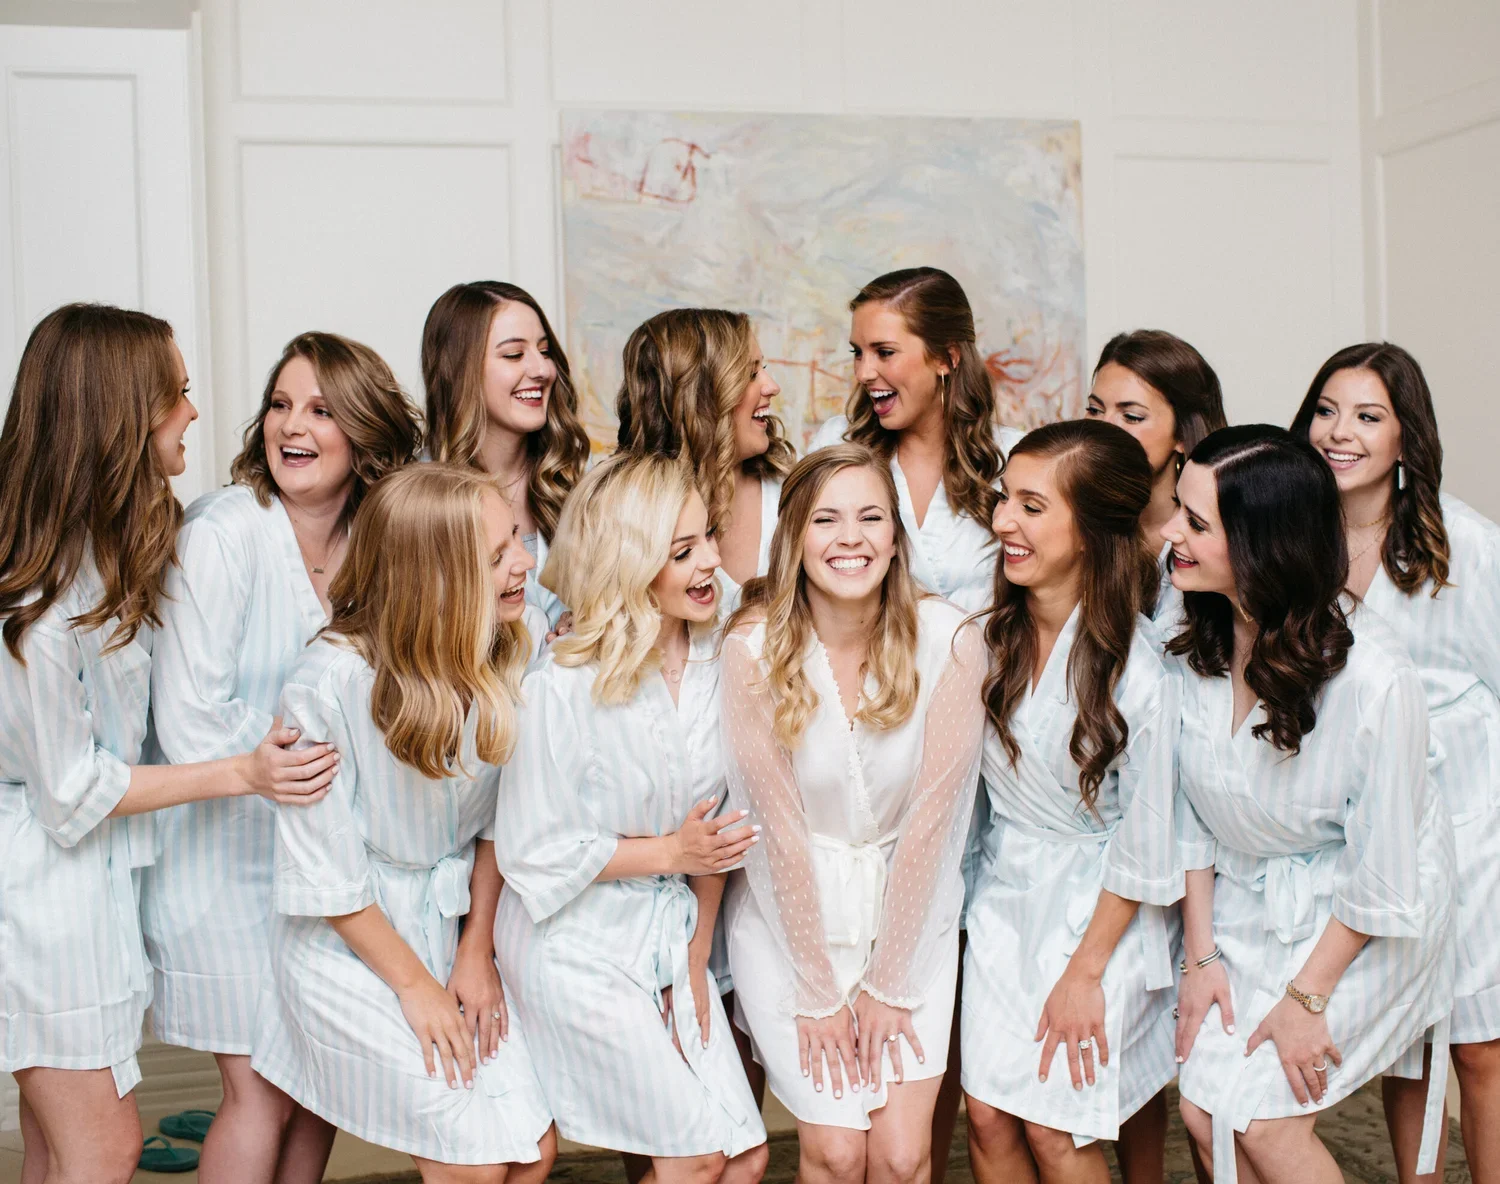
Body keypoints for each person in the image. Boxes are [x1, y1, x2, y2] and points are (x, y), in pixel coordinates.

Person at [0, 304, 335, 1184]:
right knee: (103, 1147)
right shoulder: (36, 605)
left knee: (52, 1149)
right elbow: (70, 794)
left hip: (92, 889)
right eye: (175, 395)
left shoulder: (102, 557)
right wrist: (243, 769)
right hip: (43, 900)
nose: (193, 412)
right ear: (121, 416)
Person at [142, 331, 422, 1182]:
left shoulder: (381, 538)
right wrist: (323, 754)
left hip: (324, 866)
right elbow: (190, 722)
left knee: (314, 1083)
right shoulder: (222, 534)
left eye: (322, 409)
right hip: (221, 867)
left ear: (366, 436)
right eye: (280, 403)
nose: (291, 426)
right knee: (261, 1090)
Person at [250, 464, 557, 1184]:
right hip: (348, 946)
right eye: (496, 557)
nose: (524, 563)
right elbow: (327, 876)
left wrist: (474, 950)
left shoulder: (514, 640)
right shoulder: (327, 685)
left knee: (532, 1153)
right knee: (474, 1164)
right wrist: (417, 989)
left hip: (451, 931)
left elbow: (495, 826)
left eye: (515, 538)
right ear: (436, 578)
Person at [1166, 425, 1454, 1184]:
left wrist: (1307, 998)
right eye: (1177, 510)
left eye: (1195, 524)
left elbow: (1384, 874)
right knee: (1203, 1114)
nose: (1170, 535)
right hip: (1245, 905)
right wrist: (1201, 958)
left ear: (1264, 544)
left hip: (1364, 925)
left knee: (1257, 1120)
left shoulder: (1374, 682)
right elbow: (1189, 813)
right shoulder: (1189, 634)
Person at [493, 453, 769, 1184]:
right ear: (632, 561)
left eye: (708, 537)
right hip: (572, 941)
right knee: (696, 1159)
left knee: (745, 1159)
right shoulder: (562, 684)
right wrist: (673, 851)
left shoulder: (728, 659)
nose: (711, 560)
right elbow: (531, 850)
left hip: (674, 932)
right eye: (682, 552)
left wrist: (695, 959)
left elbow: (719, 832)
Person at [721, 443, 987, 1184]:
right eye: (826, 520)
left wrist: (888, 982)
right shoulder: (750, 652)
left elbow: (936, 830)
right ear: (794, 537)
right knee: (838, 1153)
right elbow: (773, 837)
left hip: (913, 915)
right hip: (787, 923)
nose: (851, 538)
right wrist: (818, 991)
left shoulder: (953, 642)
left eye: (872, 517)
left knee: (902, 1158)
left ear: (896, 536)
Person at [810, 267, 1022, 1177]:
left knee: (964, 1025)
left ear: (946, 359)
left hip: (995, 767)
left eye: (884, 351)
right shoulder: (837, 451)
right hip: (875, 767)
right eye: (856, 351)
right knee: (894, 1025)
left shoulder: (1012, 461)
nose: (865, 371)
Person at [1290, 343, 1500, 1184]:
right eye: (1327, 411)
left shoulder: (1469, 545)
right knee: (1410, 1045)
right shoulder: (1293, 545)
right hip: (1367, 826)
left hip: (1471, 820)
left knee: (1479, 1043)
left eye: (1368, 416)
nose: (1341, 433)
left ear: (1407, 437)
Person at [962, 420, 1181, 1184]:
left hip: (1100, 917)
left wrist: (1085, 973)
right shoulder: (987, 641)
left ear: (1089, 530)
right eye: (1003, 499)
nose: (1002, 522)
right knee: (988, 1118)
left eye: (1031, 506)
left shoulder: (1145, 676)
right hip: (1003, 899)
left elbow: (1150, 845)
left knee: (1057, 1129)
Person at [421, 281, 592, 628]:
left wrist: (583, 626)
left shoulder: (577, 476)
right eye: (514, 355)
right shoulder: (419, 499)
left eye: (544, 352)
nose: (542, 370)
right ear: (459, 371)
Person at [614, 307, 795, 614]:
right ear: (700, 397)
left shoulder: (793, 491)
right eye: (750, 374)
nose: (771, 386)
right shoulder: (624, 512)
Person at [1085, 329, 1226, 629]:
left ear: (1182, 434)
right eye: (1095, 410)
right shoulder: (1073, 521)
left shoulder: (1223, 537)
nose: (1105, 429)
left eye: (1132, 417)